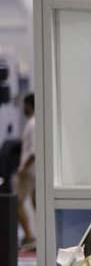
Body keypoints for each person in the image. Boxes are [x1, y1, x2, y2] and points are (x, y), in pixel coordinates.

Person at [15, 93, 35, 251]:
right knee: (35, 203)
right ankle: (34, 236)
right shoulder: (34, 122)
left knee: (17, 203)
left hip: (28, 171)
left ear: (29, 105)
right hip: (32, 171)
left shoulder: (32, 123)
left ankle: (29, 236)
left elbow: (33, 151)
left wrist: (22, 168)